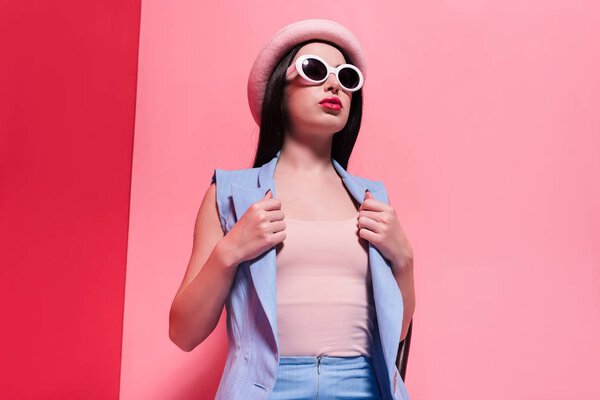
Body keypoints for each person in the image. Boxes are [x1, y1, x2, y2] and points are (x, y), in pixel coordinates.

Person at [169, 19, 416, 400]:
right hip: (266, 388)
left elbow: (395, 333)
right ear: (279, 91)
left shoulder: (371, 197)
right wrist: (230, 251)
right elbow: (183, 333)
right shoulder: (232, 193)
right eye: (315, 70)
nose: (334, 85)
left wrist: (404, 260)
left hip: (364, 387)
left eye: (346, 78)